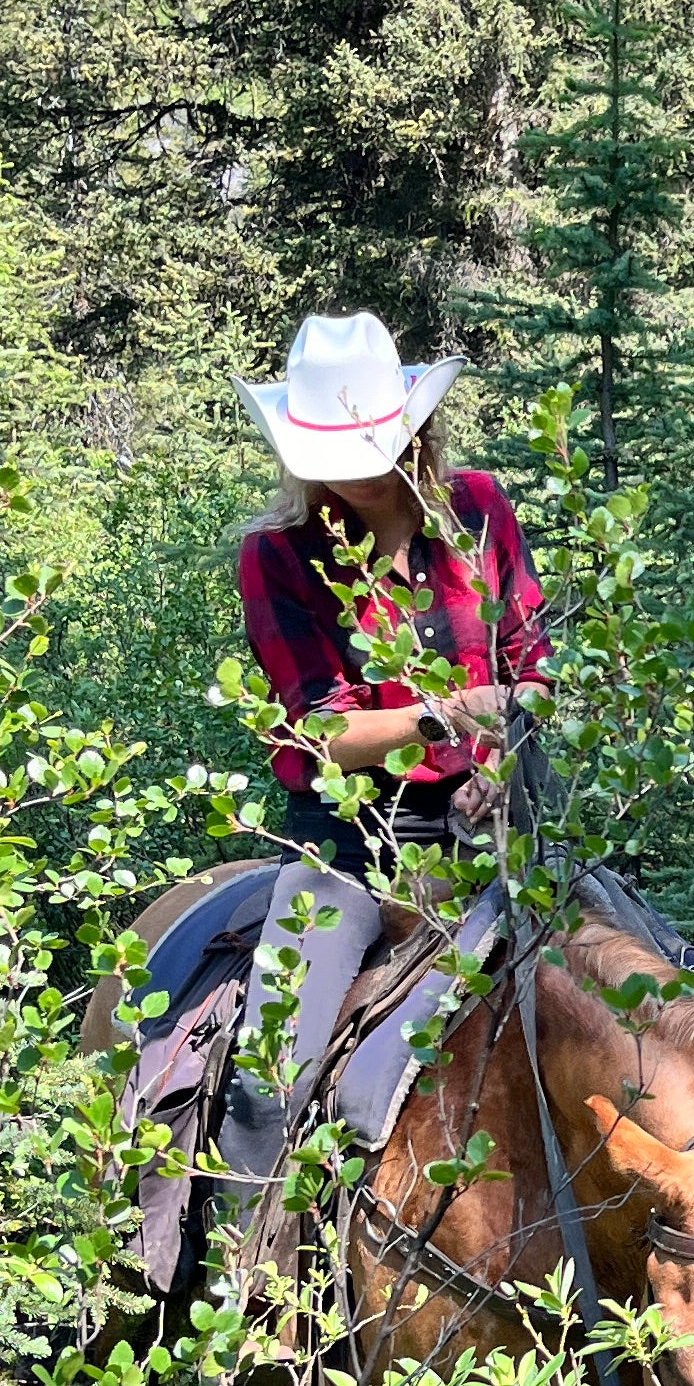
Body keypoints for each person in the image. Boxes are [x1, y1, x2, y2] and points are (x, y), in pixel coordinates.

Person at [220, 312, 551, 1174]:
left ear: (417, 432)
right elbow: (323, 731)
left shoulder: (477, 508)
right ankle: (250, 1284)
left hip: (499, 831)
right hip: (352, 844)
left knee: (650, 994)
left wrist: (503, 762)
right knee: (267, 1077)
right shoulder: (279, 556)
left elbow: (534, 667)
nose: (355, 478)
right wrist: (445, 718)